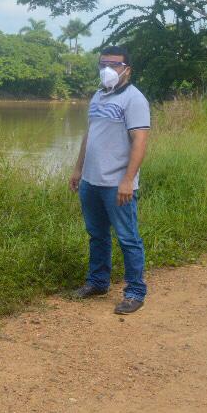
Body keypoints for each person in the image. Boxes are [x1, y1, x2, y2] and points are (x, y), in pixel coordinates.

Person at [69, 45, 150, 314]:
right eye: (103, 64)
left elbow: (140, 141)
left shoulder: (134, 99)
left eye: (114, 65)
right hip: (91, 181)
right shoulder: (98, 96)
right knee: (97, 235)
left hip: (117, 184)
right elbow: (89, 135)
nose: (108, 70)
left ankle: (135, 292)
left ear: (127, 69)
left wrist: (128, 180)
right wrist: (78, 169)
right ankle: (98, 282)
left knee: (128, 238)